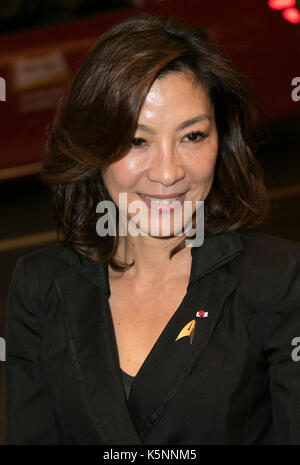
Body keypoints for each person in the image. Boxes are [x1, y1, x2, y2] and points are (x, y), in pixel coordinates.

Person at [4, 13, 300, 445]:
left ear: (222, 139)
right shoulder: (39, 288)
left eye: (192, 136)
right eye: (137, 141)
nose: (168, 172)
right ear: (94, 147)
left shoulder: (280, 281)